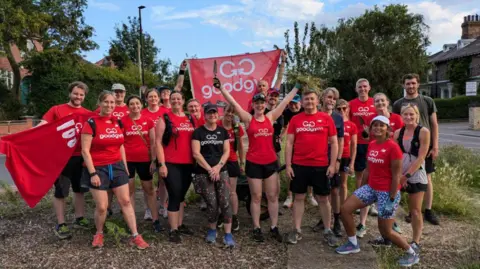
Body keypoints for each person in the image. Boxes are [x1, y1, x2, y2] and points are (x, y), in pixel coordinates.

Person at [216, 77, 299, 242]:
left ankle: (274, 227)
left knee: (272, 196)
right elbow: (234, 102)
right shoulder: (248, 119)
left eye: (262, 103)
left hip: (270, 163)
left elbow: (285, 102)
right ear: (253, 105)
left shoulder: (270, 117)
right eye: (257, 103)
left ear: (265, 104)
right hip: (254, 163)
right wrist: (221, 88)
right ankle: (256, 227)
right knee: (256, 197)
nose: (260, 105)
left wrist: (296, 87)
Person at [335, 115, 419, 267]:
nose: (378, 128)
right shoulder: (372, 144)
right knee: (345, 209)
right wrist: (363, 189)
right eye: (375, 125)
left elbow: (396, 177)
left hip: (387, 192)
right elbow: (368, 169)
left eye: (381, 125)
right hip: (372, 188)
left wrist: (391, 199)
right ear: (371, 128)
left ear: (387, 128)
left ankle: (411, 253)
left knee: (386, 231)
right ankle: (353, 244)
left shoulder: (393, 148)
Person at [80, 91, 149, 249]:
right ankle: (98, 233)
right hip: (98, 168)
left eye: (112, 102)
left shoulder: (117, 122)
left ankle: (135, 235)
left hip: (117, 166)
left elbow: (121, 145)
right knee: (103, 206)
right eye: (106, 102)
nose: (109, 105)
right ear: (100, 103)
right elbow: (85, 151)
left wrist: (124, 166)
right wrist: (92, 173)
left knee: (125, 201)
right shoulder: (91, 123)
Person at [284, 89, 339, 246]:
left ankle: (328, 230)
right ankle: (296, 230)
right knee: (299, 197)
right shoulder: (295, 119)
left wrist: (333, 164)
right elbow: (289, 143)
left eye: (312, 99)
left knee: (323, 198)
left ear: (317, 101)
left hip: (321, 165)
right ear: (302, 102)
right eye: (306, 99)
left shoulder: (326, 118)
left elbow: (334, 142)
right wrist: (288, 165)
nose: (309, 102)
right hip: (299, 165)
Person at [38, 81, 93, 239]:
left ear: (84, 97)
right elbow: (43, 125)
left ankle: (79, 217)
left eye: (81, 95)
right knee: (61, 191)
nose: (78, 97)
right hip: (61, 158)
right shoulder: (56, 109)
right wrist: (28, 134)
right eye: (76, 93)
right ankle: (61, 223)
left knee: (80, 190)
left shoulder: (87, 114)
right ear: (70, 93)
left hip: (81, 157)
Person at [393, 73, 440, 225]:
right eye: (408, 83)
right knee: (405, 177)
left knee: (426, 177)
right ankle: (411, 210)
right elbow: (395, 124)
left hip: (425, 144)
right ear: (403, 85)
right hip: (406, 145)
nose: (411, 86)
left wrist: (435, 146)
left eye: (413, 83)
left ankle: (428, 210)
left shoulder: (427, 101)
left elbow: (434, 124)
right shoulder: (398, 103)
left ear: (418, 84)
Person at [358, 92, 405, 237]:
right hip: (376, 156)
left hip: (393, 157)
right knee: (369, 188)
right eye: (377, 101)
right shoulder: (370, 118)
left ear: (388, 102)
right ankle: (362, 224)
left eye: (382, 100)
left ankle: (391, 222)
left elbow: (402, 136)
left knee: (391, 189)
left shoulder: (397, 118)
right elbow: (367, 137)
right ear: (374, 104)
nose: (380, 103)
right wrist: (365, 133)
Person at [192, 104, 236, 247]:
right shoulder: (198, 132)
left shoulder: (223, 132)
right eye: (209, 113)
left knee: (225, 201)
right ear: (205, 115)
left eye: (214, 113)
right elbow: (196, 153)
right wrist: (210, 169)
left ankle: (228, 234)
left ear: (218, 115)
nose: (212, 115)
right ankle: (212, 230)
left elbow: (227, 151)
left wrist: (218, 167)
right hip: (203, 173)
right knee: (212, 203)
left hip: (221, 171)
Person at [155, 91, 195, 243]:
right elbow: (158, 142)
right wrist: (162, 164)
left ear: (183, 100)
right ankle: (173, 230)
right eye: (173, 99)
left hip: (188, 163)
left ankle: (179, 224)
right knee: (174, 194)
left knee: (181, 196)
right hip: (171, 163)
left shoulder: (189, 118)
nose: (176, 101)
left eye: (179, 98)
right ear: (169, 101)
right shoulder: (165, 118)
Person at [122, 95, 163, 233]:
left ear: (141, 105)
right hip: (128, 161)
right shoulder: (122, 121)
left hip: (145, 160)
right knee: (130, 192)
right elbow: (120, 143)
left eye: (137, 103)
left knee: (149, 190)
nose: (135, 106)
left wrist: (153, 160)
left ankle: (155, 219)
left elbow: (152, 142)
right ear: (128, 106)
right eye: (132, 104)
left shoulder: (148, 120)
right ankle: (132, 222)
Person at [393, 104, 430, 254]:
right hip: (400, 171)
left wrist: (406, 176)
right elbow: (395, 155)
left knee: (414, 210)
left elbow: (421, 157)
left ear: (417, 115)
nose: (408, 117)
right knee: (391, 206)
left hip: (415, 173)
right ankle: (389, 235)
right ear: (401, 116)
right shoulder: (397, 133)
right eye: (405, 115)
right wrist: (398, 175)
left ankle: (416, 241)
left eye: (411, 114)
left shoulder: (423, 132)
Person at [313, 87, 344, 237]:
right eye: (329, 97)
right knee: (321, 193)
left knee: (334, 190)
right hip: (317, 159)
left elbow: (341, 140)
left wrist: (337, 160)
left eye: (334, 98)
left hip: (332, 158)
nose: (331, 100)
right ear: (323, 98)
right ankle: (324, 219)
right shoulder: (315, 114)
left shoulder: (338, 117)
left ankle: (337, 220)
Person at [348, 78, 377, 238]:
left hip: (373, 143)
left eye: (365, 86)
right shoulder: (351, 104)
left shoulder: (375, 102)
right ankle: (361, 200)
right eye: (360, 87)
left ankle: (371, 203)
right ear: (356, 89)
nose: (363, 89)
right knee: (360, 175)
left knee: (373, 174)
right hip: (357, 143)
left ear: (369, 87)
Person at [282, 95, 317, 208]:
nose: (293, 105)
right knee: (290, 170)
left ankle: (310, 195)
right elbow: (285, 126)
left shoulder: (305, 110)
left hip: (308, 146)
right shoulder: (287, 113)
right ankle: (289, 196)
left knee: (311, 169)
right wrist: (281, 135)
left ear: (300, 103)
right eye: (291, 103)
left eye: (295, 103)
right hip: (294, 145)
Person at [141, 88, 169, 220]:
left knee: (163, 181)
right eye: (150, 97)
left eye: (155, 97)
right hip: (147, 151)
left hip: (164, 151)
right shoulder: (142, 113)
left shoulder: (166, 112)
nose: (153, 99)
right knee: (148, 183)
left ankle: (163, 205)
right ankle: (148, 208)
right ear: (146, 99)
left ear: (159, 98)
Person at [217, 104, 246, 231]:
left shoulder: (236, 127)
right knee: (220, 190)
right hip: (218, 162)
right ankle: (221, 215)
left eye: (233, 113)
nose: (230, 115)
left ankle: (234, 216)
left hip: (232, 161)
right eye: (228, 112)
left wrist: (242, 162)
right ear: (224, 111)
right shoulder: (217, 124)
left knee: (232, 191)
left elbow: (240, 146)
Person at [336, 99, 357, 206]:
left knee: (343, 184)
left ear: (348, 109)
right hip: (334, 157)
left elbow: (354, 145)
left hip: (345, 156)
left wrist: (352, 163)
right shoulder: (332, 122)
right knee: (333, 184)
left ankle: (343, 207)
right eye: (339, 109)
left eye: (344, 108)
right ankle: (332, 206)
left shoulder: (352, 125)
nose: (342, 111)